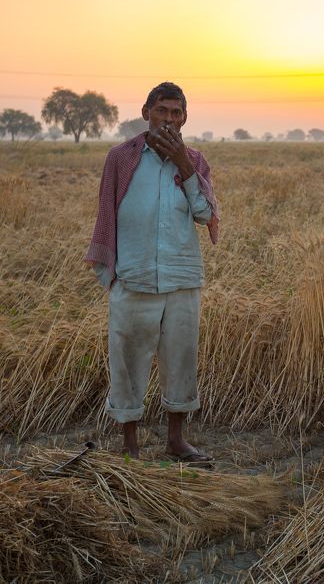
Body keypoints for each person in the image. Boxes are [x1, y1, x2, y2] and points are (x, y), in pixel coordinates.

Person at [85, 82, 219, 462]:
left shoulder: (194, 159)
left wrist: (184, 164)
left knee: (181, 359)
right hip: (134, 276)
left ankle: (176, 441)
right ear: (146, 112)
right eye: (162, 111)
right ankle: (131, 446)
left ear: (186, 118)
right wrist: (109, 273)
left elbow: (206, 214)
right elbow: (106, 211)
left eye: (177, 113)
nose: (169, 120)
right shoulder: (121, 158)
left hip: (181, 278)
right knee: (126, 362)